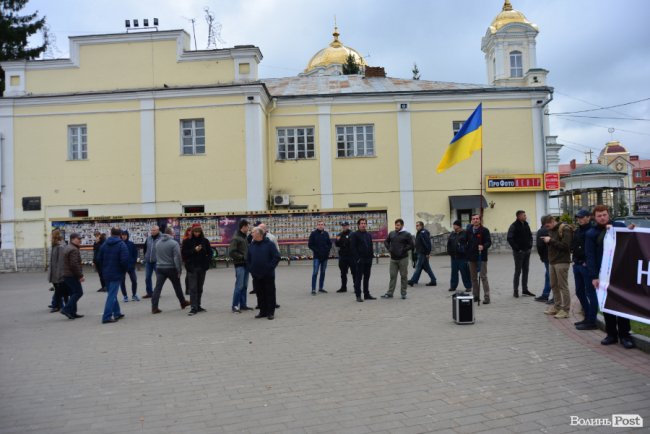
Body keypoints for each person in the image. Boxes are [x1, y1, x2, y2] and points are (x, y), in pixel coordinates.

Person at [586, 205, 635, 349]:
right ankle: (611, 334)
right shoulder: (591, 233)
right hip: (603, 275)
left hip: (620, 273)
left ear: (609, 215)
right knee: (607, 305)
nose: (602, 217)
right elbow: (590, 256)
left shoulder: (619, 226)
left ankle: (625, 335)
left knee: (622, 304)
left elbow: (630, 239)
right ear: (594, 217)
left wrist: (632, 229)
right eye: (599, 215)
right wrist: (594, 276)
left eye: (604, 215)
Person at [151, 227, 190, 314]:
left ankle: (154, 307)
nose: (174, 234)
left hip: (160, 268)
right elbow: (177, 258)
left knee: (157, 288)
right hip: (171, 268)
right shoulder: (174, 243)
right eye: (173, 232)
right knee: (177, 286)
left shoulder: (158, 242)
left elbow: (156, 255)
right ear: (171, 233)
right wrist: (179, 270)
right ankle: (183, 302)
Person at [540, 215, 573, 319]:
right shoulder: (552, 230)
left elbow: (566, 246)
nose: (546, 228)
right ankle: (557, 307)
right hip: (552, 262)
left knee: (563, 286)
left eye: (547, 225)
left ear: (553, 221)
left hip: (562, 262)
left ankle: (566, 310)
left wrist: (550, 241)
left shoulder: (565, 228)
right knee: (554, 285)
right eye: (545, 226)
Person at [97, 227, 129, 324]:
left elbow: (98, 259)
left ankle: (117, 313)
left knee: (112, 294)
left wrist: (103, 269)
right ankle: (106, 316)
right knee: (112, 295)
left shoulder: (104, 244)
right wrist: (124, 271)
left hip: (106, 273)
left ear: (110, 233)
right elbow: (124, 260)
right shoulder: (121, 244)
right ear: (120, 234)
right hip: (116, 273)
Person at [247, 227, 280, 319]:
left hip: (268, 274)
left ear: (259, 234)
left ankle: (270, 312)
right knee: (260, 293)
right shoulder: (251, 245)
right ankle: (262, 311)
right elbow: (248, 259)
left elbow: (276, 257)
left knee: (270, 293)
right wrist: (251, 269)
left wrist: (270, 267)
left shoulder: (269, 244)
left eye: (252, 232)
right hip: (256, 275)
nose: (251, 234)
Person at [572, 209, 597, 330]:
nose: (579, 219)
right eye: (578, 218)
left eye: (582, 217)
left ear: (588, 217)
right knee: (579, 291)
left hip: (586, 266)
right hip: (577, 265)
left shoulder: (592, 231)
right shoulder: (577, 230)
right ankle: (587, 316)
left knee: (590, 293)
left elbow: (595, 249)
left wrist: (588, 262)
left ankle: (592, 320)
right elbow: (574, 246)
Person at [181, 224, 213, 316]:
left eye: (198, 232)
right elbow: (184, 254)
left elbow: (210, 252)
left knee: (200, 288)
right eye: (195, 232)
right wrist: (194, 250)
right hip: (192, 267)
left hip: (202, 267)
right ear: (192, 232)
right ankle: (193, 307)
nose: (197, 234)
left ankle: (198, 305)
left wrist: (207, 262)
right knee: (193, 288)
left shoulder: (205, 241)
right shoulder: (187, 241)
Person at [381, 218, 414, 300]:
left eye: (398, 225)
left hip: (403, 258)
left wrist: (403, 249)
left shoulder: (407, 234)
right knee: (392, 276)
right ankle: (390, 293)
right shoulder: (392, 233)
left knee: (403, 276)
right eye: (395, 225)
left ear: (402, 225)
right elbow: (386, 241)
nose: (396, 226)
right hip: (393, 259)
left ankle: (403, 293)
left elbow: (412, 245)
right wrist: (389, 249)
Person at [507, 210, 535, 298]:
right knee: (518, 271)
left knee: (526, 270)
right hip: (519, 253)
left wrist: (530, 245)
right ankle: (515, 291)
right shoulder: (513, 226)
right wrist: (517, 249)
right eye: (524, 215)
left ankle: (525, 290)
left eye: (525, 215)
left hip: (527, 251)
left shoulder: (526, 224)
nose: (525, 216)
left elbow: (530, 236)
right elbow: (509, 238)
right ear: (518, 216)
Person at [349, 218, 376, 302]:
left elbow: (371, 246)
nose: (363, 225)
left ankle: (366, 294)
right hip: (360, 260)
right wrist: (357, 259)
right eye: (361, 223)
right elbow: (352, 248)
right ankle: (358, 295)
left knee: (367, 277)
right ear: (358, 225)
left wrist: (372, 257)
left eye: (364, 223)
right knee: (358, 278)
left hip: (368, 260)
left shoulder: (368, 235)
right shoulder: (354, 235)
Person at [467, 214, 492, 304]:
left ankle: (487, 297)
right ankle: (476, 296)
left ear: (480, 220)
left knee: (483, 277)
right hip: (471, 257)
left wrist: (483, 246)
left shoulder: (484, 230)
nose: (475, 220)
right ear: (471, 220)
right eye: (474, 219)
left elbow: (489, 242)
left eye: (477, 219)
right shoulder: (469, 230)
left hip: (481, 256)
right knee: (473, 278)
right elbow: (466, 241)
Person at [229, 219, 253, 313]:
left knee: (244, 286)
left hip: (246, 265)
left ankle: (243, 305)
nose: (248, 228)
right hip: (240, 265)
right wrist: (242, 257)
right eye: (247, 226)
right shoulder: (236, 238)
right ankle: (235, 306)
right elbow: (231, 252)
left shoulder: (244, 237)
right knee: (239, 286)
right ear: (243, 227)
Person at [60, 233, 85, 320]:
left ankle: (73, 312)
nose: (80, 240)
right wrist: (80, 275)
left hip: (66, 274)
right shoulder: (74, 249)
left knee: (72, 293)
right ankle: (66, 309)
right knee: (78, 292)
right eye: (78, 239)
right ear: (73, 239)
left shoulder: (68, 247)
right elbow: (74, 264)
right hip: (71, 275)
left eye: (80, 239)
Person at [408, 221, 437, 287]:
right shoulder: (419, 232)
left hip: (423, 253)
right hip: (420, 252)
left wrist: (427, 253)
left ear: (421, 226)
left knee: (418, 267)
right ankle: (433, 280)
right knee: (427, 268)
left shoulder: (423, 232)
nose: (416, 227)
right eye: (416, 225)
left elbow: (427, 243)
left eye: (418, 225)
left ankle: (412, 281)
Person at [446, 220, 472, 292]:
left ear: (458, 226)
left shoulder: (465, 233)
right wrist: (449, 252)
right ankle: (453, 286)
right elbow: (449, 244)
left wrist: (466, 251)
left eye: (454, 225)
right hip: (454, 257)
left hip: (462, 257)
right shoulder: (452, 234)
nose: (453, 226)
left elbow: (469, 244)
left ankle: (468, 286)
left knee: (465, 272)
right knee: (454, 273)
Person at [308, 220, 332, 295]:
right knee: (315, 272)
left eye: (322, 224)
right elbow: (310, 244)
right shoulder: (313, 234)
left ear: (324, 225)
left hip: (325, 257)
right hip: (317, 257)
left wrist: (327, 251)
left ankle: (321, 288)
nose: (321, 226)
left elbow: (329, 244)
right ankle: (313, 289)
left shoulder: (326, 234)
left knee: (323, 272)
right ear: (317, 226)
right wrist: (316, 251)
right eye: (319, 224)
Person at [48, 229, 68, 313]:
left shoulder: (60, 247)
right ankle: (58, 305)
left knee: (59, 290)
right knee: (58, 290)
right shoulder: (54, 246)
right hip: (54, 272)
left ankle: (59, 306)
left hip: (57, 273)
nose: (49, 237)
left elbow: (60, 262)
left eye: (51, 235)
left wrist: (59, 274)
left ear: (55, 236)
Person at [534, 217, 553, 304]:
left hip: (547, 257)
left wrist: (542, 257)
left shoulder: (541, 231)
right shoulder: (551, 230)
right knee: (548, 276)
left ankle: (554, 297)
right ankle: (545, 295)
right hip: (552, 256)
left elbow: (540, 246)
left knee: (551, 277)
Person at [119, 230, 139, 302]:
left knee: (134, 280)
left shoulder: (131, 244)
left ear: (127, 236)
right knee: (122, 282)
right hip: (121, 267)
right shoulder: (119, 244)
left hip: (131, 266)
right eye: (122, 235)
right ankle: (125, 296)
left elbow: (135, 254)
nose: (124, 236)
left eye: (125, 235)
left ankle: (134, 295)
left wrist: (133, 262)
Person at [142, 225, 161, 299]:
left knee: (159, 278)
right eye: (151, 230)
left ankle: (157, 292)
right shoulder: (149, 238)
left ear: (158, 230)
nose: (152, 232)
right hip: (148, 262)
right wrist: (146, 256)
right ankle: (149, 292)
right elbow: (145, 248)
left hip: (157, 261)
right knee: (147, 277)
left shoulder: (161, 238)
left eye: (154, 230)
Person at [335, 221, 354, 293]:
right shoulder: (339, 234)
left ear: (348, 226)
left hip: (351, 256)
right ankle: (343, 287)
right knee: (343, 273)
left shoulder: (352, 234)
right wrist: (338, 240)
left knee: (354, 272)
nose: (344, 227)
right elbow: (336, 244)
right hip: (343, 256)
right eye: (343, 226)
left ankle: (356, 287)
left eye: (345, 225)